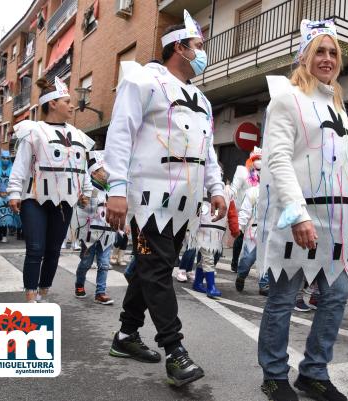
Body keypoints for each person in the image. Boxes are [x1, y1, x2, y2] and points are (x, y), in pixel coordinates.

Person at [256, 19, 348, 401]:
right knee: (281, 300)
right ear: (305, 57)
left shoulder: (339, 106)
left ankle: (314, 372)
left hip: (339, 225)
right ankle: (274, 374)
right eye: (320, 52)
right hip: (302, 220)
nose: (327, 59)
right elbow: (278, 159)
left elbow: (333, 164)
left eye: (333, 53)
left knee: (336, 297)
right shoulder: (287, 99)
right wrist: (297, 214)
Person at [103, 10, 226, 388]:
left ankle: (125, 335)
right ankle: (175, 351)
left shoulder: (202, 100)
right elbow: (120, 133)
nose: (203, 53)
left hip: (183, 206)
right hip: (147, 200)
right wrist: (117, 190)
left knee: (148, 268)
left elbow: (207, 150)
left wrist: (217, 187)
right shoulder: (143, 80)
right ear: (178, 48)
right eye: (198, 46)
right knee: (157, 270)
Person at [8, 76, 94, 303]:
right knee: (36, 248)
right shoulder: (33, 131)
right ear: (53, 103)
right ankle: (30, 297)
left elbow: (82, 167)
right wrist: (14, 192)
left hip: (65, 200)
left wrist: (86, 192)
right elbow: (22, 163)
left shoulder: (78, 135)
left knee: (54, 250)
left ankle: (43, 293)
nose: (72, 105)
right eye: (67, 101)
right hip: (34, 198)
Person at [74, 151, 115, 305]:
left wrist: (122, 225)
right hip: (90, 233)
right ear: (95, 172)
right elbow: (83, 208)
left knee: (104, 264)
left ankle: (100, 293)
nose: (106, 173)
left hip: (108, 232)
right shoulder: (87, 188)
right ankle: (79, 284)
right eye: (103, 170)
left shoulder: (112, 189)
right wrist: (83, 202)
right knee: (85, 263)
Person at [190, 186, 238, 297]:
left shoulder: (225, 192)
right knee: (208, 258)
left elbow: (231, 213)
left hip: (212, 232)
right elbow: (232, 213)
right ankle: (211, 287)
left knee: (206, 258)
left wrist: (235, 230)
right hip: (204, 230)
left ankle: (197, 282)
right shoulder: (200, 186)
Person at [229, 146, 261, 272]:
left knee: (253, 238)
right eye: (257, 158)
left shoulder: (264, 174)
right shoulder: (243, 171)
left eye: (261, 158)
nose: (259, 161)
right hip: (242, 209)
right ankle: (235, 262)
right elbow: (234, 187)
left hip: (256, 213)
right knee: (240, 236)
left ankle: (247, 261)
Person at [235, 185, 269, 296]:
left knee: (267, 259)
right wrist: (239, 227)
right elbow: (245, 211)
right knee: (248, 259)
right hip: (254, 231)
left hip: (271, 231)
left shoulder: (279, 189)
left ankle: (264, 284)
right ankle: (241, 274)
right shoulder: (253, 192)